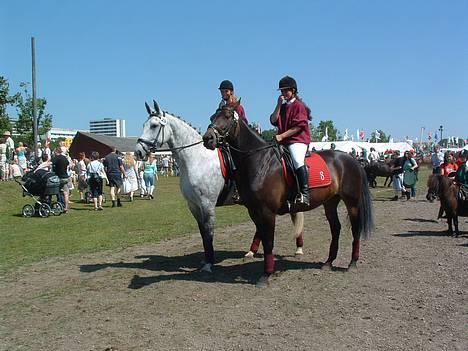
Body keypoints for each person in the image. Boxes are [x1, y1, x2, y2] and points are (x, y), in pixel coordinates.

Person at [270, 75, 311, 211]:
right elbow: (273, 120)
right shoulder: (283, 106)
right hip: (284, 140)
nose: (283, 93)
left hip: (298, 140)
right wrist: (278, 105)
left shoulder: (299, 106)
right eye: (282, 91)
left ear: (293, 90)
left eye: (286, 91)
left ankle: (305, 194)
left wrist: (281, 136)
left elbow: (298, 127)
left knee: (297, 160)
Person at [51, 147, 70, 212]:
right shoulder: (64, 158)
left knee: (58, 192)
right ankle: (66, 207)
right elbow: (68, 164)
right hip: (66, 177)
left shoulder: (57, 158)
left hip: (59, 177)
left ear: (56, 152)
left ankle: (60, 205)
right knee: (65, 193)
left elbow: (50, 163)